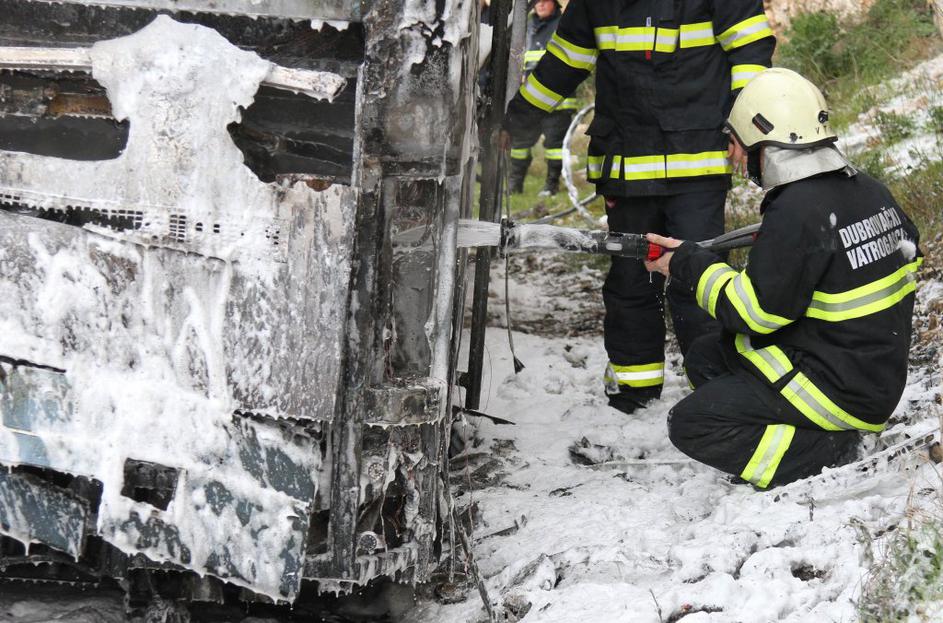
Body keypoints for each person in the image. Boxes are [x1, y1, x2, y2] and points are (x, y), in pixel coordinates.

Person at [643, 68, 923, 488]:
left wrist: (683, 264)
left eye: (734, 143)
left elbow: (753, 313)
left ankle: (821, 454)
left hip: (840, 386)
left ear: (763, 142)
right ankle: (809, 432)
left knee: (691, 423)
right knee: (707, 355)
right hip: (871, 370)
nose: (732, 157)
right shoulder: (866, 190)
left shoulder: (797, 209)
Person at [500, 1, 775, 415]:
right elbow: (563, 64)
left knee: (696, 277)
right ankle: (635, 391)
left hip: (691, 166)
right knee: (633, 278)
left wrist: (745, 129)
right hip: (631, 168)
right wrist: (515, 123)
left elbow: (751, 52)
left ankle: (716, 387)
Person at [507, 0, 579, 197]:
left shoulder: (564, 26)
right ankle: (514, 185)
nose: (540, 4)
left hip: (558, 101)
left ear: (555, 4)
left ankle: (551, 185)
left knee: (554, 147)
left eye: (545, 1)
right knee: (519, 144)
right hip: (529, 100)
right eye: (537, 1)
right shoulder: (525, 26)